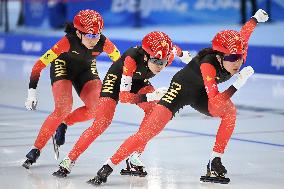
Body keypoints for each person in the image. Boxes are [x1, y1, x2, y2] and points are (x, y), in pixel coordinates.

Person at [88, 9, 269, 185]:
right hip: (181, 88)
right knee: (149, 131)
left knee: (230, 112)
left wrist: (255, 19)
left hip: (200, 93)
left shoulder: (238, 52)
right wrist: (238, 83)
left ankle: (215, 161)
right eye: (231, 58)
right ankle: (108, 166)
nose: (236, 63)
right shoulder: (208, 66)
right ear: (220, 57)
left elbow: (244, 34)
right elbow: (215, 100)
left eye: (239, 57)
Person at [52, 31, 192, 178]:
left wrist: (186, 57)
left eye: (163, 62)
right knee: (102, 123)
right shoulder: (132, 58)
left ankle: (134, 157)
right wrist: (152, 95)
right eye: (156, 61)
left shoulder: (166, 54)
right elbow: (124, 97)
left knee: (154, 111)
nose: (160, 66)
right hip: (116, 80)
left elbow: (177, 50)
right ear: (145, 55)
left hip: (138, 81)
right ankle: (69, 160)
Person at [22, 9, 121, 169]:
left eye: (97, 35)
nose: (94, 40)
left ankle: (65, 123)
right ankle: (36, 148)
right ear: (78, 32)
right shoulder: (67, 42)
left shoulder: (103, 42)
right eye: (89, 35)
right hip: (63, 68)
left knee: (98, 108)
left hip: (86, 70)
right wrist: (31, 92)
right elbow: (38, 66)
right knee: (63, 107)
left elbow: (121, 65)